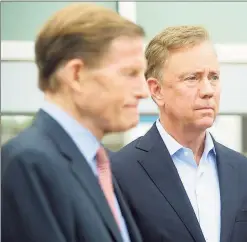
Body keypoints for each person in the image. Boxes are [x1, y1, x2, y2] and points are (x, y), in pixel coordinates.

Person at [1, 3, 149, 242]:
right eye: (130, 73)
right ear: (76, 75)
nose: (144, 91)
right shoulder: (30, 162)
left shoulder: (100, 165)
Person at [111, 25, 247, 242]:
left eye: (213, 77)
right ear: (157, 90)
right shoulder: (121, 173)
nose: (208, 90)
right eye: (192, 78)